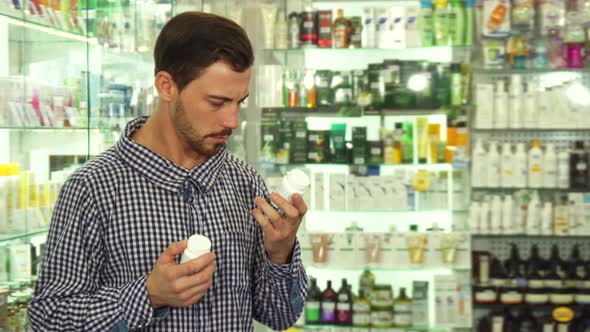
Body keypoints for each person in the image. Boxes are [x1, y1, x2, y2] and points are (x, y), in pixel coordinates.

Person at [29, 11, 308, 331]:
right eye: (217, 102)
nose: (232, 121)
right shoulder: (92, 188)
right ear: (166, 86)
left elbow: (281, 315)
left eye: (239, 102)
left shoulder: (244, 182)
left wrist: (280, 251)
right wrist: (148, 295)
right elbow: (48, 319)